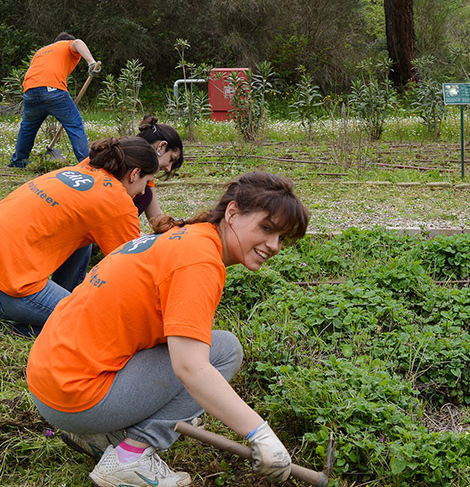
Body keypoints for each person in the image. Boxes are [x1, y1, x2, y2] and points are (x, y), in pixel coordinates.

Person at [25, 172, 310, 487]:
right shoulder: (199, 262)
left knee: (196, 346)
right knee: (223, 351)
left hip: (49, 380)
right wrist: (260, 434)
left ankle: (102, 436)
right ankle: (129, 458)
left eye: (282, 238)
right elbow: (191, 368)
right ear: (232, 213)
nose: (273, 246)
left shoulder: (188, 237)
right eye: (266, 228)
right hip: (75, 398)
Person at [0, 137, 159, 336]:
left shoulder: (83, 169)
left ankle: (61, 297)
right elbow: (134, 269)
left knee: (84, 236)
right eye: (146, 182)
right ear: (134, 174)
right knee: (90, 326)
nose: (143, 191)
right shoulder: (116, 201)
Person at [9, 32, 101, 168]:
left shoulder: (41, 51)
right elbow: (78, 42)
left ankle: (18, 162)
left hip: (30, 90)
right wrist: (91, 63)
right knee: (75, 125)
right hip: (53, 89)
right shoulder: (67, 44)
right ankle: (87, 165)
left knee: (27, 128)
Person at [134, 115, 184, 226]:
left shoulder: (145, 174)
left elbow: (156, 217)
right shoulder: (127, 169)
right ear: (161, 146)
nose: (168, 168)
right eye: (171, 159)